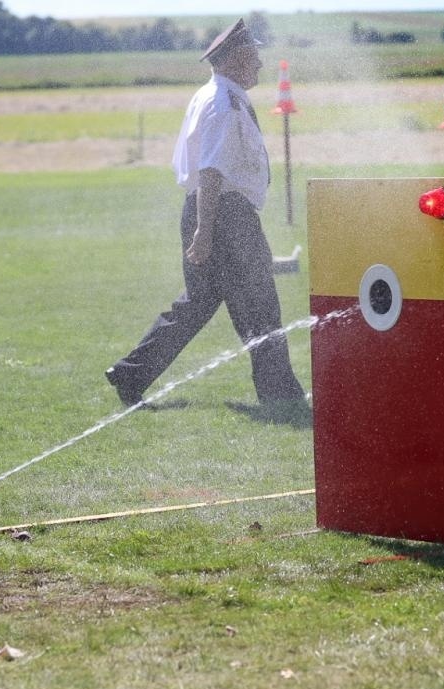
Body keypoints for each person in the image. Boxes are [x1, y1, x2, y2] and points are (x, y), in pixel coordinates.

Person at [104, 18, 308, 420]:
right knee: (260, 305)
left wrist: (202, 226)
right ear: (234, 59)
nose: (261, 66)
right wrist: (204, 230)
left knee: (199, 304)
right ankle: (281, 396)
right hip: (224, 214)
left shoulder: (214, 94)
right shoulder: (223, 102)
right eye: (254, 57)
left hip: (214, 212)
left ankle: (130, 373)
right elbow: (211, 170)